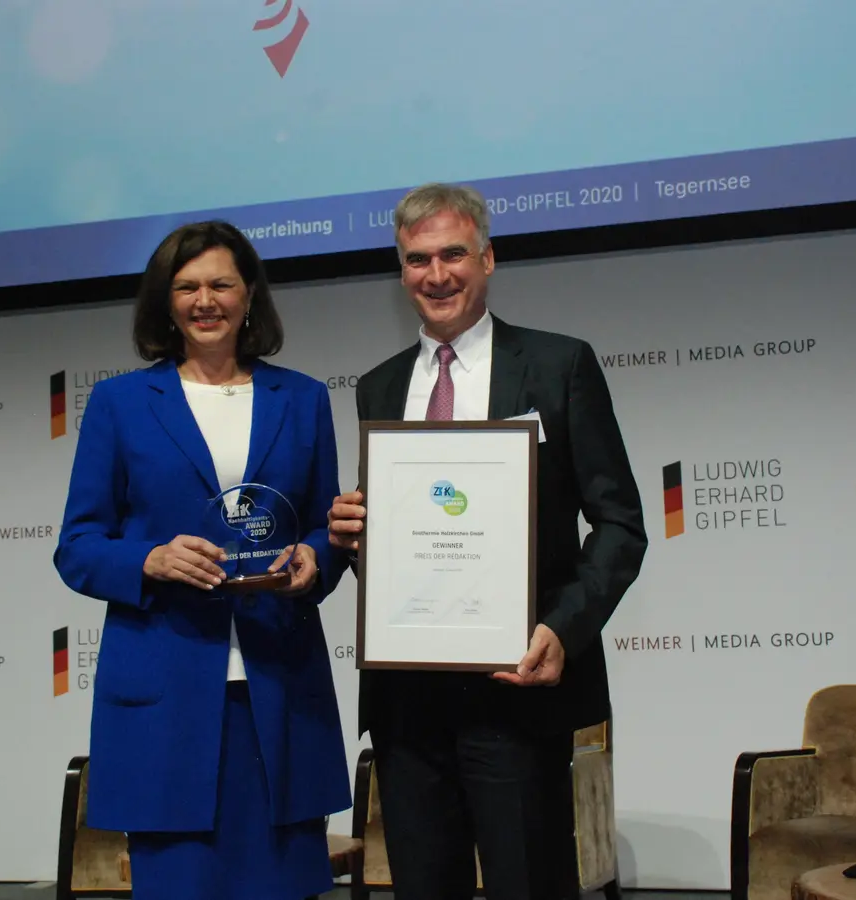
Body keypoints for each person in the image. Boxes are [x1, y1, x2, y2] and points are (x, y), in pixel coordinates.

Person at [327, 183, 648, 900]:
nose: (435, 275)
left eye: (452, 255)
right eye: (416, 260)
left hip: (517, 694)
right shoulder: (378, 388)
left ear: (488, 258)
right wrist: (353, 538)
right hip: (408, 709)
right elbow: (400, 543)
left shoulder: (560, 366)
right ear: (400, 270)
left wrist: (563, 630)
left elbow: (621, 525)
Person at [55, 220, 351, 900]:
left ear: (250, 297)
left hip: (278, 683)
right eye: (186, 287)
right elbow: (79, 547)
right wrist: (150, 560)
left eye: (221, 283)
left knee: (285, 883)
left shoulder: (302, 398)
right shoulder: (120, 403)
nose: (204, 300)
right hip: (166, 691)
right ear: (166, 303)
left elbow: (323, 527)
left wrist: (313, 559)